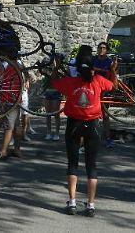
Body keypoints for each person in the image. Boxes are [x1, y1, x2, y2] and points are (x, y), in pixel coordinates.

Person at [51, 53, 117, 217]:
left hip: (74, 124)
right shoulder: (98, 81)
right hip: (93, 125)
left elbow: (52, 82)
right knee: (91, 166)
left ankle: (72, 202)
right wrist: (113, 70)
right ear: (93, 68)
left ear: (77, 69)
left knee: (72, 163)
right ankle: (90, 205)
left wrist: (57, 66)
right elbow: (113, 86)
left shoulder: (70, 82)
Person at [92, 42, 115, 148]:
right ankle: (94, 137)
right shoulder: (94, 60)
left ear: (107, 50)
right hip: (95, 89)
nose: (101, 49)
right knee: (94, 115)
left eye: (104, 48)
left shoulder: (109, 62)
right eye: (100, 48)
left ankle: (108, 138)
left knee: (105, 115)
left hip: (105, 90)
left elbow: (112, 75)